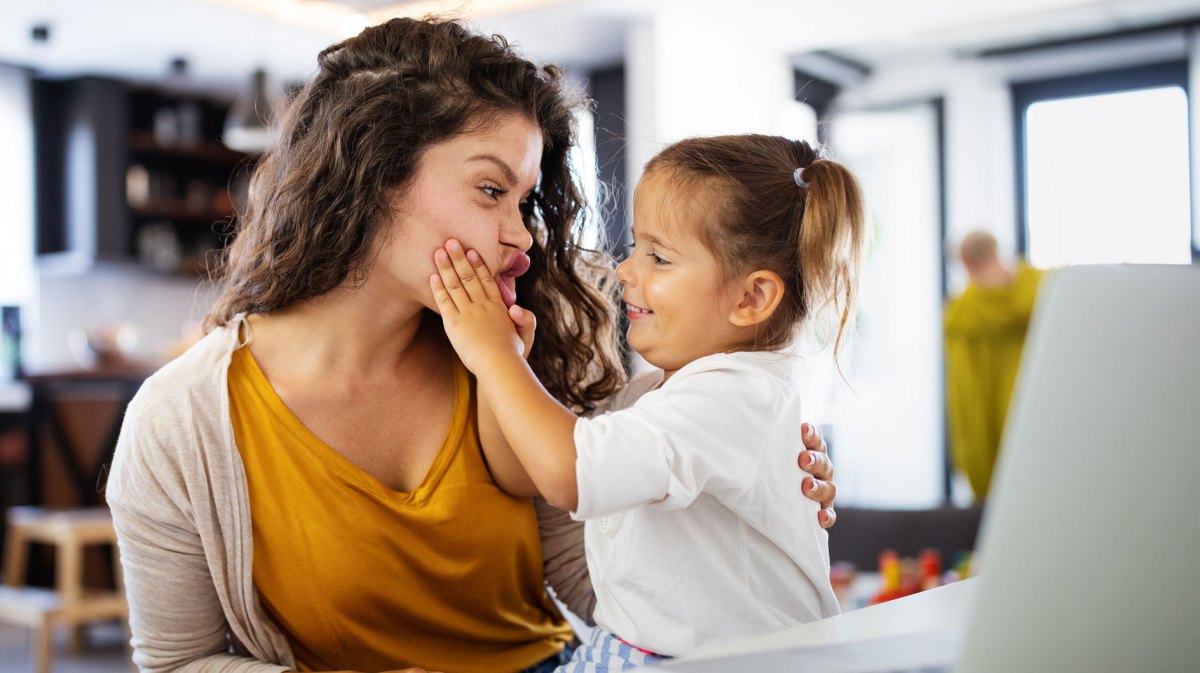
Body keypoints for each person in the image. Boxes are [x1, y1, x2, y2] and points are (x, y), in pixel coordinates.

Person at [104, 17, 838, 673]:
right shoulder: (181, 423)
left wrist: (739, 502)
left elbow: (605, 576)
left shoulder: (514, 352)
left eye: (525, 202)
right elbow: (176, 661)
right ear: (371, 172)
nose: (520, 234)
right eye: (492, 192)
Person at [430, 133, 864, 669]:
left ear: (751, 298)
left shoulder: (729, 397)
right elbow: (529, 474)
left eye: (659, 257)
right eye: (637, 248)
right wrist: (500, 370)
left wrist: (497, 358)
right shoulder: (673, 392)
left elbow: (569, 472)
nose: (626, 270)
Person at [944, 230, 1044, 500]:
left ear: (966, 263)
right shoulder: (1045, 292)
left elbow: (966, 398)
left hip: (995, 452)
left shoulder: (963, 315)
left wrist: (974, 464)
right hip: (1046, 430)